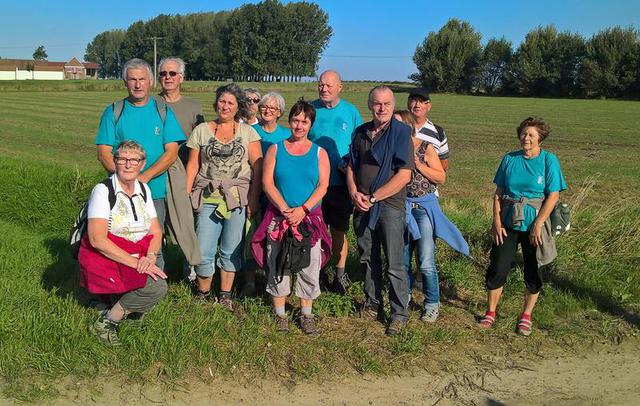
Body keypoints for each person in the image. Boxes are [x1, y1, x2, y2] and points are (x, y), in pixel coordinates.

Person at [95, 58, 185, 272]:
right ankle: (118, 284)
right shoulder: (114, 112)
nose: (137, 84)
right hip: (119, 192)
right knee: (120, 241)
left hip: (154, 192)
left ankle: (152, 287)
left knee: (154, 241)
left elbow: (171, 152)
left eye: (142, 79)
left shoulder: (162, 111)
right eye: (132, 79)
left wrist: (144, 178)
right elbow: (103, 153)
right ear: (125, 82)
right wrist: (125, 180)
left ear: (151, 81)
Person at [479, 117, 567, 336]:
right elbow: (498, 194)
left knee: (532, 269)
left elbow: (553, 195)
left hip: (534, 224)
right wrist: (496, 222)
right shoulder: (509, 159)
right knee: (498, 267)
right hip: (507, 221)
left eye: (531, 135)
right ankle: (490, 312)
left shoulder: (548, 160)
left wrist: (538, 223)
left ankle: (526, 316)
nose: (526, 138)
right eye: (523, 133)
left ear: (540, 138)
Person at [251, 100, 331, 334]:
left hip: (308, 220)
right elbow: (267, 183)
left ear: (310, 124)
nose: (299, 125)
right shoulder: (275, 149)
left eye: (304, 121)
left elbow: (323, 186)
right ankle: (280, 314)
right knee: (278, 262)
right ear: (290, 121)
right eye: (295, 120)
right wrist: (286, 210)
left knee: (309, 265)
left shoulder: (320, 153)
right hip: (279, 217)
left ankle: (306, 314)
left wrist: (303, 210)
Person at [79, 141, 168, 347]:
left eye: (134, 160)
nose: (128, 165)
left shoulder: (144, 189)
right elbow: (97, 239)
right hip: (110, 253)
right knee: (156, 287)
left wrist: (151, 257)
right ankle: (109, 320)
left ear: (142, 164)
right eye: (122, 159)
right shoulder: (103, 190)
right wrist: (137, 264)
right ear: (115, 162)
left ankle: (118, 308)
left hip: (140, 250)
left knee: (157, 271)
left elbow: (155, 231)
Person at [185, 83, 263, 311]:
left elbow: (257, 168)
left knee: (231, 248)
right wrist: (187, 195)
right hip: (209, 196)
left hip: (237, 199)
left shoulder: (249, 133)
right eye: (222, 101)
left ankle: (225, 294)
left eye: (230, 103)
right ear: (216, 103)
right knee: (204, 247)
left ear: (238, 107)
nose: (225, 106)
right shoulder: (201, 131)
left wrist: (254, 199)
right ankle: (203, 292)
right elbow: (192, 166)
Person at [346, 86, 413, 336]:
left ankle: (399, 312)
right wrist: (354, 193)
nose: (381, 108)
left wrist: (374, 197)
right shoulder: (360, 132)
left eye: (386, 104)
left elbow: (404, 175)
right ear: (370, 105)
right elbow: (351, 165)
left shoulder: (401, 132)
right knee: (367, 258)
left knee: (394, 262)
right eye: (377, 103)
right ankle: (373, 303)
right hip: (362, 204)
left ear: (393, 105)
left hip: (389, 206)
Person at [393, 111, 469, 323]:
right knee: (403, 260)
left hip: (423, 209)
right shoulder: (393, 148)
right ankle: (404, 298)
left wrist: (417, 164)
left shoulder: (425, 147)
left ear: (409, 127)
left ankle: (432, 303)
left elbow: (441, 177)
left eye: (399, 125)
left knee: (426, 262)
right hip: (402, 208)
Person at [308, 70, 363, 294]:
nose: (324, 89)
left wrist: (349, 166)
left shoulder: (351, 112)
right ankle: (317, 273)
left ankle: (340, 275)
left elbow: (360, 145)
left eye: (330, 85)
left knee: (339, 231)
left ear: (340, 87)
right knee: (316, 231)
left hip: (341, 183)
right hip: (314, 183)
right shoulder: (310, 109)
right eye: (321, 85)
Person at [158, 57, 205, 281]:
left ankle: (191, 269)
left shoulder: (194, 107)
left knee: (187, 221)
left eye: (172, 74)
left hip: (186, 172)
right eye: (163, 73)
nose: (167, 77)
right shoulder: (152, 103)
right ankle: (158, 268)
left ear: (181, 78)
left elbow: (201, 143)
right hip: (157, 172)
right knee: (157, 222)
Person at [240, 91, 289, 297]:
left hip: (278, 195)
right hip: (252, 190)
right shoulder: (249, 131)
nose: (267, 110)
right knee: (250, 236)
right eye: (264, 106)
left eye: (272, 108)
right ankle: (249, 282)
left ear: (279, 112)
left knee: (275, 238)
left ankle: (273, 282)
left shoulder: (286, 135)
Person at [408, 89, 449, 171]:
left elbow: (443, 165)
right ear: (408, 104)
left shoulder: (438, 131)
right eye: (414, 101)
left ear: (429, 106)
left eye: (422, 101)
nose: (417, 105)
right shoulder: (399, 127)